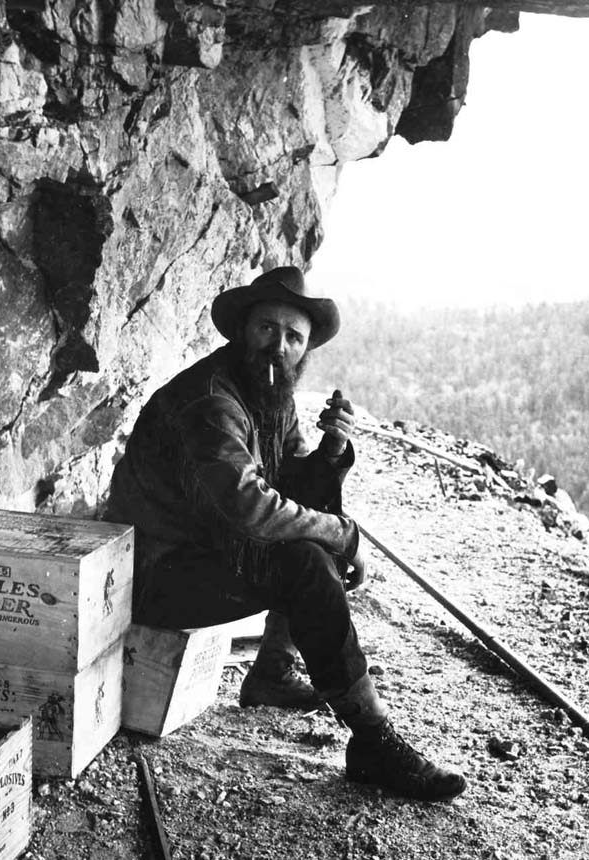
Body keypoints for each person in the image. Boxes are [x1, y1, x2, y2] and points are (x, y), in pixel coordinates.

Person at [106, 266, 466, 802]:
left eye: (293, 337)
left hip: (204, 549)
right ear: (242, 331)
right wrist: (341, 535)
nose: (279, 346)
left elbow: (294, 487)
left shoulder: (269, 392)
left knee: (310, 529)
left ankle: (272, 673)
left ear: (304, 350)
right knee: (306, 560)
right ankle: (371, 738)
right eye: (267, 329)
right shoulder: (212, 401)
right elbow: (251, 507)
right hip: (153, 573)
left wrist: (331, 453)